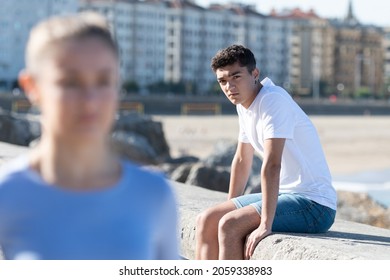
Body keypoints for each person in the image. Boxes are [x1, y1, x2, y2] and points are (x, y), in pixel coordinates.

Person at [0, 12, 178, 260]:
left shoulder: (154, 195)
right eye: (70, 82)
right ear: (32, 86)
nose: (90, 101)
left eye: (104, 81)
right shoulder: (8, 194)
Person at [195, 45, 337, 260]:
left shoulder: (273, 100)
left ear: (255, 74)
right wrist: (230, 205)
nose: (229, 86)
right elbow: (242, 159)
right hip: (285, 195)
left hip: (314, 205)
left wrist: (265, 224)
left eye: (236, 77)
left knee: (229, 225)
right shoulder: (243, 104)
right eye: (222, 81)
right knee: (207, 219)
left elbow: (272, 164)